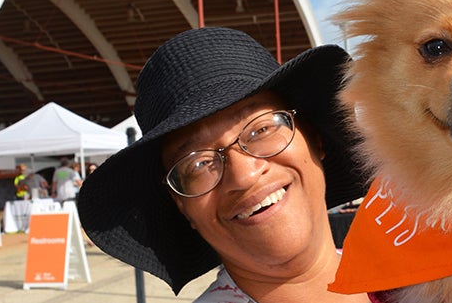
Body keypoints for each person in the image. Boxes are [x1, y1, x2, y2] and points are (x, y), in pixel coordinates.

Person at [78, 27, 369, 302]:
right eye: (199, 163)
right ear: (182, 205)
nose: (244, 175)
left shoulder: (406, 278)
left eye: (261, 130)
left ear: (314, 138)